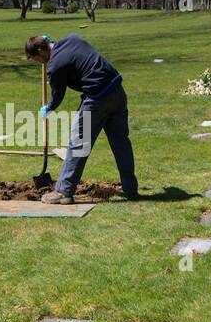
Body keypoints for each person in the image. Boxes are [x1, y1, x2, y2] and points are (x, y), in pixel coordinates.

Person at [24, 34, 139, 203]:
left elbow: (57, 95)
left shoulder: (54, 65)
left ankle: (64, 191)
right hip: (117, 91)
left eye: (38, 60)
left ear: (41, 50)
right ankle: (131, 189)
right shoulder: (72, 38)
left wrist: (49, 107)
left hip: (97, 98)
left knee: (78, 143)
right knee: (121, 143)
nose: (42, 63)